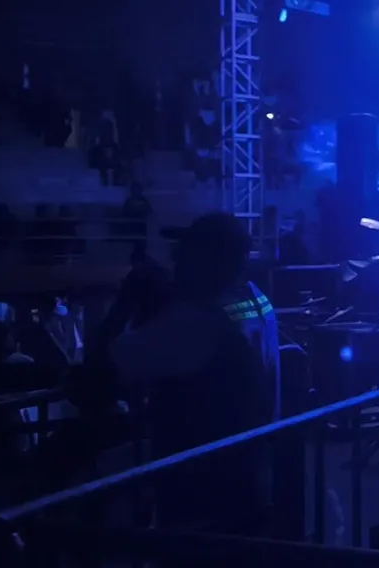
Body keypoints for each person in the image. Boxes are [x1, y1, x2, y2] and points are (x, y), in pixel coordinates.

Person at [107, 212, 280, 533]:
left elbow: (100, 373)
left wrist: (127, 301)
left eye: (184, 252)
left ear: (206, 262)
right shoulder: (258, 300)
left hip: (201, 493)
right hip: (249, 475)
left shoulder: (191, 322)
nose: (174, 261)